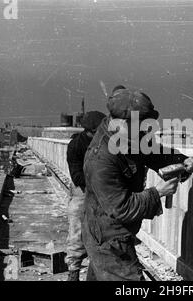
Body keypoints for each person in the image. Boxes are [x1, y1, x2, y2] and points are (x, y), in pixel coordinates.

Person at [82, 86, 193, 281]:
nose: (146, 130)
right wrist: (158, 192)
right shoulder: (101, 159)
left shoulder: (125, 136)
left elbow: (152, 151)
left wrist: (181, 161)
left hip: (110, 233)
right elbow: (121, 207)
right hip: (108, 239)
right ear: (122, 122)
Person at [65, 110, 106, 281]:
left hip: (104, 192)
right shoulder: (75, 145)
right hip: (83, 191)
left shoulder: (108, 143)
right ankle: (73, 271)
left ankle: (95, 271)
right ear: (88, 131)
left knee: (103, 233)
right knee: (76, 231)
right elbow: (77, 177)